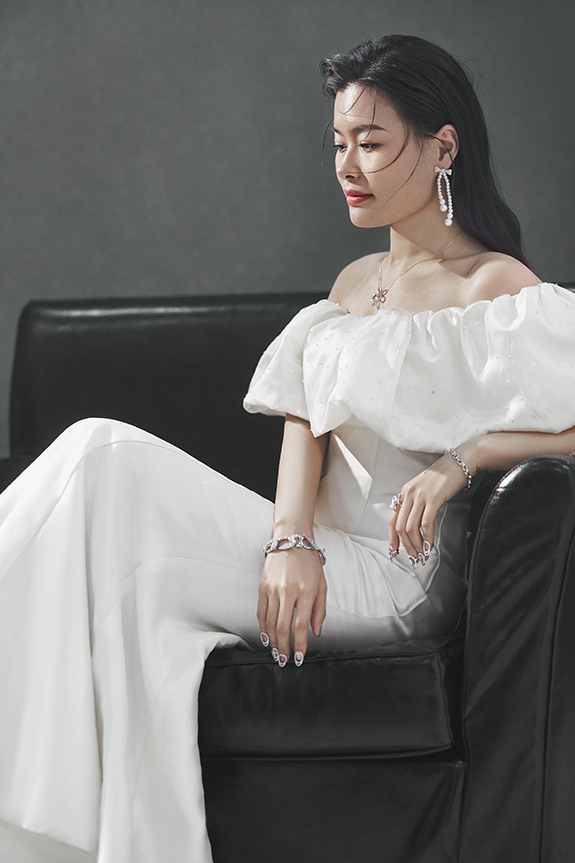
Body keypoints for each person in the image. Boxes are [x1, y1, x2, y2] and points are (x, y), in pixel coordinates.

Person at [0, 32, 573, 863]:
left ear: (443, 146)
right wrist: (290, 539)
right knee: (122, 585)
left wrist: (467, 456)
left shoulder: (492, 284)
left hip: (397, 575)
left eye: (370, 142)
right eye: (338, 143)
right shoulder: (354, 282)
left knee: (99, 455)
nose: (346, 165)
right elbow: (303, 420)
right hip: (320, 554)